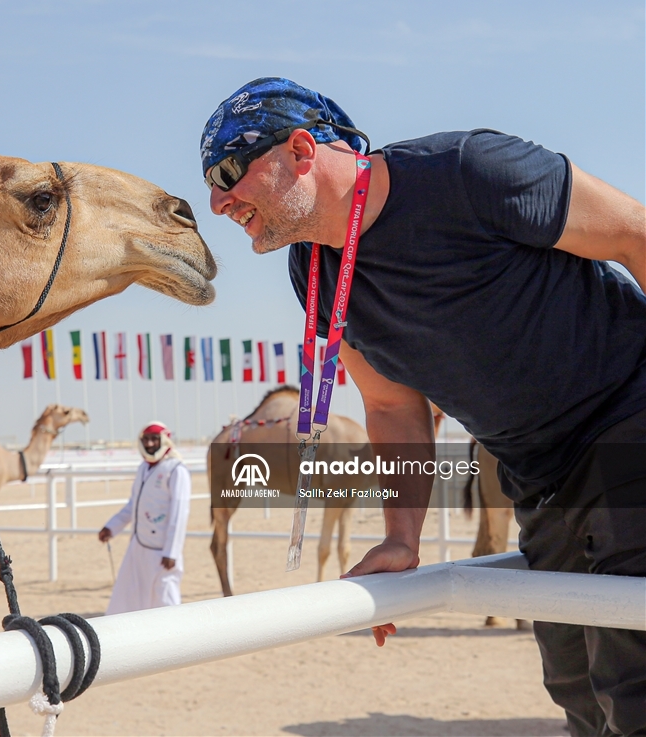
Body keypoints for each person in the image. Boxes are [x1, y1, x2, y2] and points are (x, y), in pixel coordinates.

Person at [201, 77, 645, 736]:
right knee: (577, 691)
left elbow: (634, 234)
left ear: (300, 149)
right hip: (534, 473)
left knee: (633, 688)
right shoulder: (312, 270)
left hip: (627, 420)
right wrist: (402, 537)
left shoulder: (467, 173)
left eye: (229, 172)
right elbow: (386, 403)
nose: (216, 201)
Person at [98, 422, 192, 614]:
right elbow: (134, 504)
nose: (149, 444)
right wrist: (112, 527)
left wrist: (172, 552)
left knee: (166, 601)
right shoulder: (143, 468)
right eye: (146, 439)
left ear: (164, 441)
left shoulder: (176, 470)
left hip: (162, 552)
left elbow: (179, 513)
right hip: (139, 547)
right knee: (129, 598)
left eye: (154, 439)